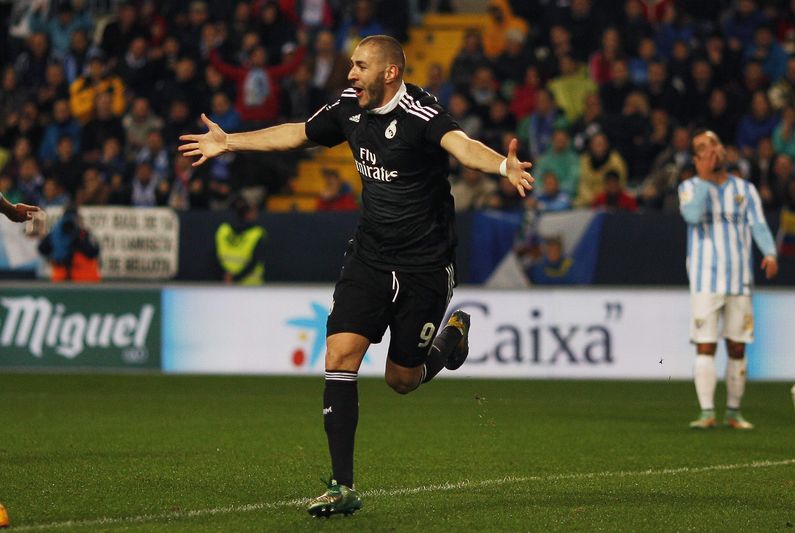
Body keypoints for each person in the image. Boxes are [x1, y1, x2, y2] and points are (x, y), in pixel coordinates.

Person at [179, 34, 533, 517]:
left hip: (424, 266)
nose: (350, 74)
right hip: (369, 255)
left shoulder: (420, 114)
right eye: (351, 65)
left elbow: (461, 144)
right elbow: (298, 132)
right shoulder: (349, 107)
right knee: (340, 353)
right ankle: (341, 485)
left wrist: (500, 165)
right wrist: (229, 142)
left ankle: (450, 340)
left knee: (402, 380)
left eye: (361, 66)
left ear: (390, 72)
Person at [678, 130, 779, 430]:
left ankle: (734, 411)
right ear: (696, 159)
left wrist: (770, 253)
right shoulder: (689, 187)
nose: (711, 152)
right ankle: (707, 412)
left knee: (737, 346)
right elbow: (693, 217)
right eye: (703, 149)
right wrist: (705, 179)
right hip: (704, 280)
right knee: (705, 345)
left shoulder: (745, 189)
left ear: (724, 150)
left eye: (715, 145)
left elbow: (758, 224)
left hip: (739, 280)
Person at [37, 206, 101, 283]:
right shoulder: (80, 232)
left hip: (59, 276)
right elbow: (93, 251)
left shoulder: (55, 232)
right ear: (77, 216)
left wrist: (52, 257)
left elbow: (42, 248)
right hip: (82, 278)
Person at [215, 196, 267, 285]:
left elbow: (214, 257)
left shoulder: (223, 230)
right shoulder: (257, 233)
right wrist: (235, 278)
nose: (257, 214)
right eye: (254, 211)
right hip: (249, 287)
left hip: (227, 282)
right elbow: (254, 261)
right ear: (247, 214)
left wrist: (228, 277)